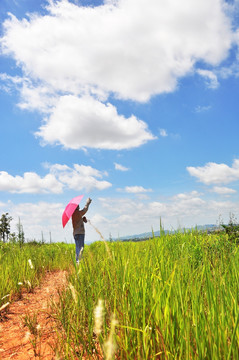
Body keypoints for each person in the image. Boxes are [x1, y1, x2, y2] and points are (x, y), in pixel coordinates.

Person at [72, 197, 92, 263]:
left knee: (78, 248)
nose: (79, 207)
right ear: (76, 207)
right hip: (80, 233)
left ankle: (77, 261)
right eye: (78, 206)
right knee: (81, 248)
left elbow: (78, 221)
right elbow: (85, 210)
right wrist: (88, 203)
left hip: (76, 233)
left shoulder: (73, 214)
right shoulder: (77, 212)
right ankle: (78, 262)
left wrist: (82, 220)